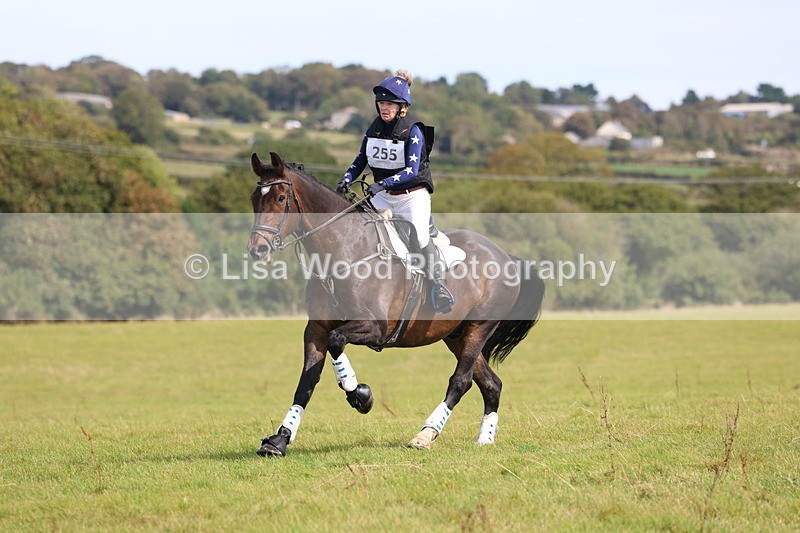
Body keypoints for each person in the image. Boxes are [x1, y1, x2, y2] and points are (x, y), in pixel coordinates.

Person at [337, 70, 454, 313]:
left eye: (389, 104)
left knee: (420, 238)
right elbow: (361, 159)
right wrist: (347, 178)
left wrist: (384, 183)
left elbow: (412, 170)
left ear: (402, 107)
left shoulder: (413, 130)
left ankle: (439, 286)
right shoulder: (374, 128)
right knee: (360, 232)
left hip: (411, 196)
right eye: (381, 103)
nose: (384, 108)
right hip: (382, 194)